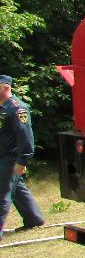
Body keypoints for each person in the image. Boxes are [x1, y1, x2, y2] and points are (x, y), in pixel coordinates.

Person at [0, 75, 45, 239]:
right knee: (16, 189)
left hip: (10, 158)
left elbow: (25, 136)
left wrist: (22, 160)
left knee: (2, 192)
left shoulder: (17, 108)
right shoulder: (2, 107)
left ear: (4, 87)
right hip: (3, 156)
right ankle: (34, 218)